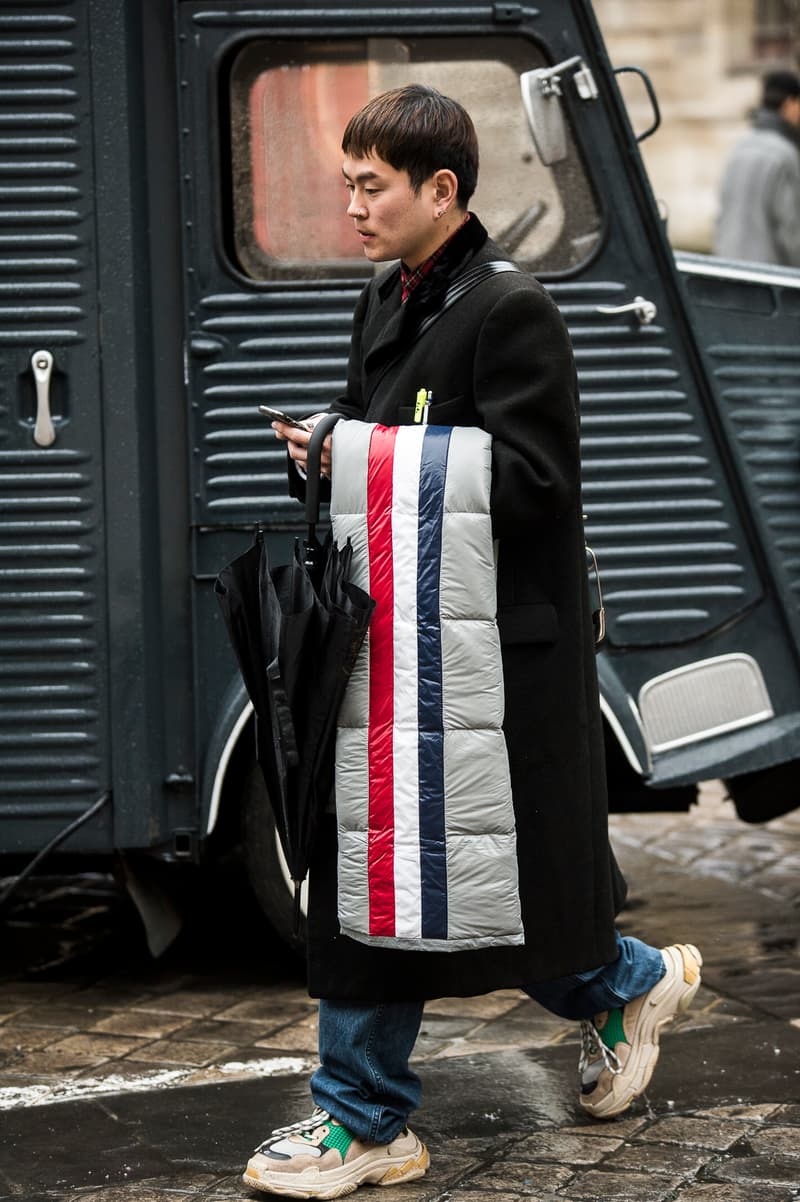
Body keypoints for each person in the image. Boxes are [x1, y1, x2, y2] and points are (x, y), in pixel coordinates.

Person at [242, 85, 702, 1198]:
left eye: (371, 186)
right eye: (347, 183)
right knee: (389, 888)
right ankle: (613, 989)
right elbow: (385, 434)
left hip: (501, 660)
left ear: (440, 189)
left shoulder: (512, 307)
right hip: (398, 644)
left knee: (511, 896)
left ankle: (370, 1117)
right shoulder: (382, 297)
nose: (350, 205)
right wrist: (327, 450)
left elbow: (539, 486)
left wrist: (358, 451)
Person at [714, 69, 800, 267]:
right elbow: (791, 231)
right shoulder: (785, 154)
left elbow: (721, 216)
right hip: (769, 279)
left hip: (729, 269)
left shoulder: (739, 148)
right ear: (789, 104)